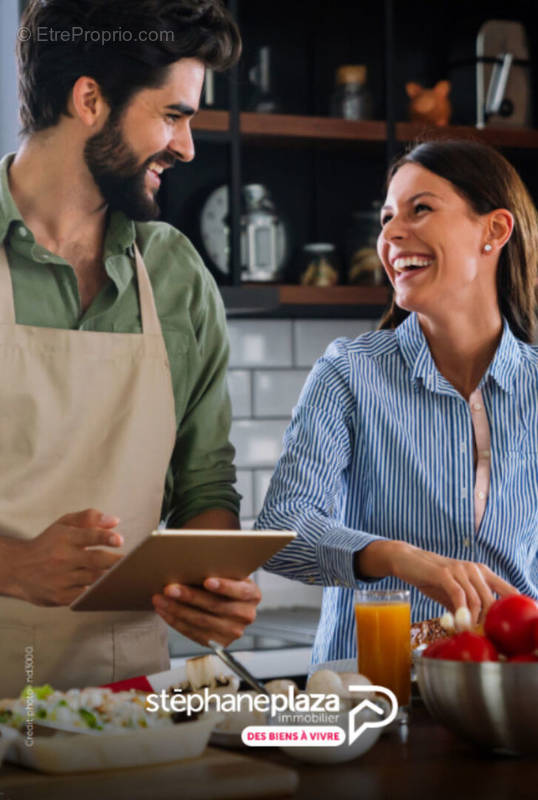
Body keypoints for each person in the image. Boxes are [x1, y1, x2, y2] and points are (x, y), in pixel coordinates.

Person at [0, 0, 261, 697]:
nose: (187, 147)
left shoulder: (176, 275)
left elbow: (204, 484)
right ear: (89, 99)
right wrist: (10, 566)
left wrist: (213, 583)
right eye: (172, 115)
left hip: (121, 712)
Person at [256, 139, 538, 666]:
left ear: (494, 231)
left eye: (420, 209)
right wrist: (400, 558)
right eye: (387, 218)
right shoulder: (350, 371)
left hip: (508, 688)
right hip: (370, 690)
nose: (390, 234)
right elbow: (281, 530)